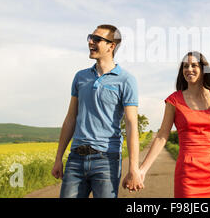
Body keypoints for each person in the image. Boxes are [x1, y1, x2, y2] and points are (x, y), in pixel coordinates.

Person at [137, 51, 210, 197]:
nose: (189, 69)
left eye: (194, 65)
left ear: (203, 69)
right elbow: (162, 136)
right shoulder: (174, 101)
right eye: (185, 66)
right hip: (187, 174)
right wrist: (143, 169)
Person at [51, 24, 144, 198]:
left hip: (106, 160)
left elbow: (132, 124)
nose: (90, 42)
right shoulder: (81, 77)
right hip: (76, 159)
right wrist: (58, 159)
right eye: (90, 38)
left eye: (97, 39)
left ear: (111, 46)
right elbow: (70, 118)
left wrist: (134, 168)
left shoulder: (126, 80)